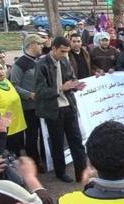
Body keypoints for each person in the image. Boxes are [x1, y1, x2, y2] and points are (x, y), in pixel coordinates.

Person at [34, 36, 87, 183]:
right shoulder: (42, 64)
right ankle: (60, 172)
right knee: (57, 144)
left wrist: (76, 85)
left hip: (69, 107)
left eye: (67, 52)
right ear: (54, 48)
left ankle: (82, 173)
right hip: (53, 110)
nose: (65, 55)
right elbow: (40, 91)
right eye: (62, 51)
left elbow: (72, 78)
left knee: (76, 142)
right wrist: (60, 88)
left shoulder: (65, 60)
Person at [11, 34, 46, 167]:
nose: (42, 46)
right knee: (32, 136)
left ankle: (45, 159)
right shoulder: (19, 64)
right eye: (39, 43)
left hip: (42, 105)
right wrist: (29, 95)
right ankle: (34, 163)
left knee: (44, 135)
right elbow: (13, 85)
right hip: (29, 107)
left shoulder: (39, 61)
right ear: (31, 45)